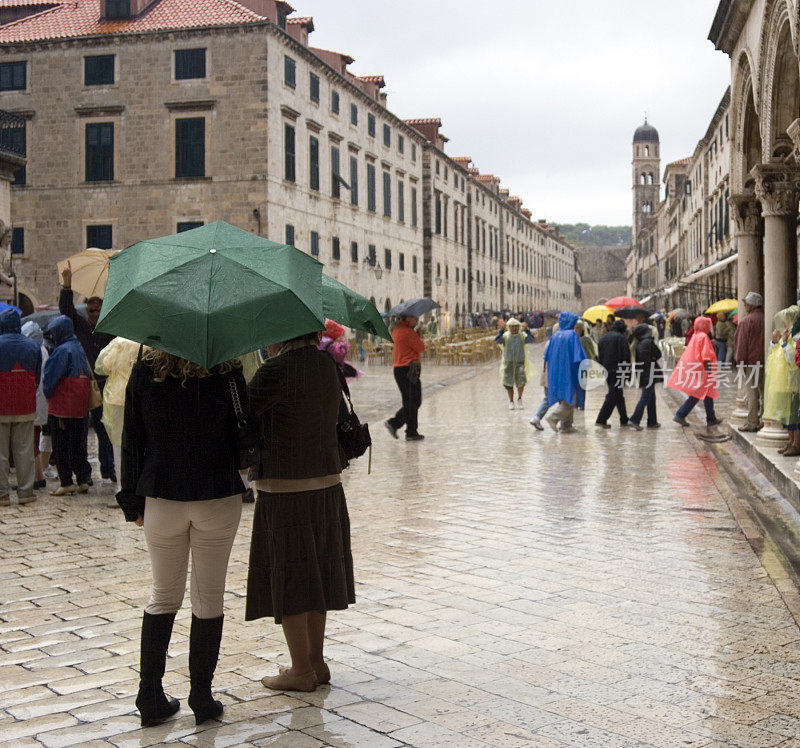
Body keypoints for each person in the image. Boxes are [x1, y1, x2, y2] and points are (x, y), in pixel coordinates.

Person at [117, 349, 245, 727]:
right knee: (209, 596)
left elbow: (132, 439)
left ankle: (150, 695)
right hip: (217, 493)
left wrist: (132, 500)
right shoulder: (227, 371)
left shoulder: (145, 372)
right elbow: (244, 430)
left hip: (161, 496)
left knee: (163, 594)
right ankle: (201, 697)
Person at [245, 331, 355, 693]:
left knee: (291, 573)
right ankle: (316, 662)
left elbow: (243, 420)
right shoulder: (327, 365)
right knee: (317, 573)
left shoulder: (275, 371)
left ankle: (299, 669)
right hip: (327, 485)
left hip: (286, 489)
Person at [59, 262, 116, 483]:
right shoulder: (80, 326)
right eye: (91, 304)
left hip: (104, 384)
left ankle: (108, 468)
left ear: (103, 308)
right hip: (83, 384)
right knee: (81, 432)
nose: (94, 306)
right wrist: (67, 286)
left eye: (98, 304)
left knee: (104, 430)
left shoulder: (109, 329)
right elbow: (66, 311)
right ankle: (84, 474)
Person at [43, 316, 91, 495]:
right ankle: (83, 478)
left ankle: (66, 481)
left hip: (63, 404)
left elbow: (50, 379)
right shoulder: (79, 348)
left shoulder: (62, 351)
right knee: (79, 442)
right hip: (80, 404)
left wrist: (47, 393)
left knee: (61, 443)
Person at [0, 308, 42, 506]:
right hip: (25, 404)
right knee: (24, 450)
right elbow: (37, 376)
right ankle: (26, 493)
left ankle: (2, 494)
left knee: (1, 453)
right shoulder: (33, 346)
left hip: (1, 405)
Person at [94, 337, 140, 494]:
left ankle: (122, 487)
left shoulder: (118, 343)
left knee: (118, 444)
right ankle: (137, 485)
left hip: (116, 398)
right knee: (139, 441)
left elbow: (103, 366)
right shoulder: (145, 344)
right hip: (137, 396)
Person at [669, 316, 723, 428]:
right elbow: (705, 354)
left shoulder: (696, 335)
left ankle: (711, 418)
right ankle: (680, 414)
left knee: (707, 394)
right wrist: (708, 371)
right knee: (697, 393)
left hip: (697, 367)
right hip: (703, 369)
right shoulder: (703, 337)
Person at [763, 306, 800, 455]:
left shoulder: (795, 337)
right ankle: (790, 441)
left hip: (792, 383)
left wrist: (784, 342)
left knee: (793, 416)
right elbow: (773, 355)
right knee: (785, 416)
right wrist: (775, 341)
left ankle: (796, 444)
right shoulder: (786, 335)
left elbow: (792, 359)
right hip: (781, 383)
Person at [543, 311, 586, 432]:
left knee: (564, 397)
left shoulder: (555, 335)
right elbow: (578, 354)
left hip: (555, 371)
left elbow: (546, 355)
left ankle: (566, 425)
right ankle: (554, 418)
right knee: (571, 399)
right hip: (569, 370)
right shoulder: (572, 335)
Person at [385, 314, 425, 441]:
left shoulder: (396, 330)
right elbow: (421, 348)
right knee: (415, 401)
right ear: (407, 318)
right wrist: (417, 335)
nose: (417, 319)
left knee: (409, 402)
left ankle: (411, 431)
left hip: (399, 369)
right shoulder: (408, 332)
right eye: (414, 318)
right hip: (408, 369)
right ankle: (394, 423)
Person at [21, 321, 49, 490]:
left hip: (33, 402)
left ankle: (37, 477)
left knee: (31, 443)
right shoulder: (43, 350)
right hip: (40, 402)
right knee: (34, 440)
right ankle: (38, 476)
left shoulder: (33, 351)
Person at [734, 291, 766, 432]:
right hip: (766, 360)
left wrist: (739, 362)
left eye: (746, 302)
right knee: (765, 392)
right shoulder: (766, 317)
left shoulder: (747, 321)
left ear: (752, 305)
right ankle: (765, 421)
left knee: (752, 393)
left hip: (751, 362)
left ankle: (752, 422)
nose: (745, 305)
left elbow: (741, 344)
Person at [595, 319, 630, 429]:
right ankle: (601, 419)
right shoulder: (621, 338)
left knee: (618, 394)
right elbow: (625, 356)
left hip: (606, 370)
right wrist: (627, 372)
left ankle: (624, 419)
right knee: (613, 394)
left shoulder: (603, 339)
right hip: (618, 370)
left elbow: (599, 356)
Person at [626, 323, 662, 430]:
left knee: (651, 397)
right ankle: (634, 419)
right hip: (649, 374)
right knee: (645, 397)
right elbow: (658, 354)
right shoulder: (648, 342)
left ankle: (652, 421)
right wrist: (653, 358)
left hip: (642, 373)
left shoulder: (638, 344)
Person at [495, 317, 534, 410]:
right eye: (512, 326)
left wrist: (527, 330)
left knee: (521, 381)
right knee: (509, 383)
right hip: (509, 362)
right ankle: (511, 401)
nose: (514, 328)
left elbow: (531, 340)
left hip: (520, 362)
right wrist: (501, 330)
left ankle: (519, 399)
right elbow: (497, 340)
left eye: (516, 326)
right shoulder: (506, 336)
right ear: (509, 327)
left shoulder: (522, 336)